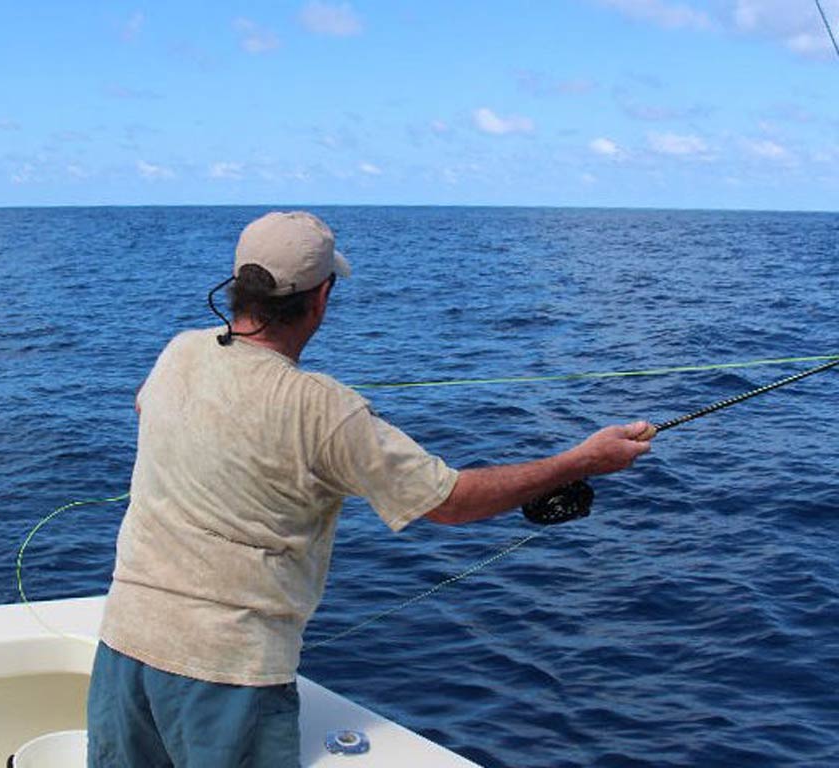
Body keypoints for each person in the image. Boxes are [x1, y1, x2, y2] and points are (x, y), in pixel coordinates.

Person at [87, 211, 652, 767]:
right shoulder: (324, 408)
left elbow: (144, 402)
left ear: (239, 288)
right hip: (226, 667)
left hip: (125, 644)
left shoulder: (180, 351)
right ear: (320, 298)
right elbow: (450, 502)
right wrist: (582, 460)